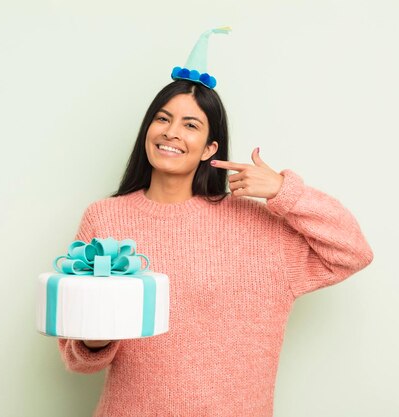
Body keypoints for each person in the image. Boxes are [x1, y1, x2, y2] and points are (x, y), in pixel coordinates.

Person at [57, 29, 373, 417]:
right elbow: (77, 358)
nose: (171, 132)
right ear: (148, 130)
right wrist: (93, 340)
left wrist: (283, 192)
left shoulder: (257, 227)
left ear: (210, 147)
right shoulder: (105, 218)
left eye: (190, 125)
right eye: (162, 118)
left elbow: (352, 252)